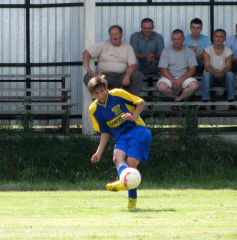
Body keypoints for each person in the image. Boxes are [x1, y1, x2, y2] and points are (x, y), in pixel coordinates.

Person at [87, 75, 151, 210]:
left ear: (106, 88)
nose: (101, 95)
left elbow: (140, 102)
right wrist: (99, 152)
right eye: (97, 93)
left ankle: (131, 199)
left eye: (103, 91)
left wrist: (133, 116)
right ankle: (124, 183)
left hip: (137, 131)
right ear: (92, 95)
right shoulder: (94, 109)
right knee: (117, 157)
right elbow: (105, 131)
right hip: (121, 136)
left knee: (131, 165)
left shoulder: (117, 94)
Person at [83, 25, 143, 95]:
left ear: (121, 35)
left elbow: (133, 65)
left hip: (121, 77)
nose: (114, 37)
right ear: (110, 36)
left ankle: (128, 100)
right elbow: (86, 53)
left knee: (138, 75)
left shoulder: (128, 47)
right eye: (112, 34)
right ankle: (100, 99)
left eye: (116, 34)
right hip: (104, 77)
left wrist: (127, 76)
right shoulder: (103, 44)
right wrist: (88, 69)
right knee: (88, 76)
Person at [156, 29, 199, 108]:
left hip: (184, 77)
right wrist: (173, 81)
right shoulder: (166, 51)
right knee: (161, 87)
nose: (176, 41)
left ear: (183, 39)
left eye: (178, 39)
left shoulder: (189, 51)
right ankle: (177, 98)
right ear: (172, 39)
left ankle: (178, 99)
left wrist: (181, 80)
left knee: (194, 86)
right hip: (168, 77)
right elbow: (163, 69)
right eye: (174, 39)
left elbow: (192, 69)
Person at [201, 29, 235, 109]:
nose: (218, 39)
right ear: (213, 38)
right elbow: (207, 66)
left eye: (221, 37)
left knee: (230, 74)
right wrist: (214, 72)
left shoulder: (228, 51)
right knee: (206, 74)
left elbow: (228, 67)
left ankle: (231, 102)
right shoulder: (207, 50)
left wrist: (222, 72)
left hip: (223, 77)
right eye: (216, 36)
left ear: (224, 38)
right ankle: (205, 102)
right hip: (211, 77)